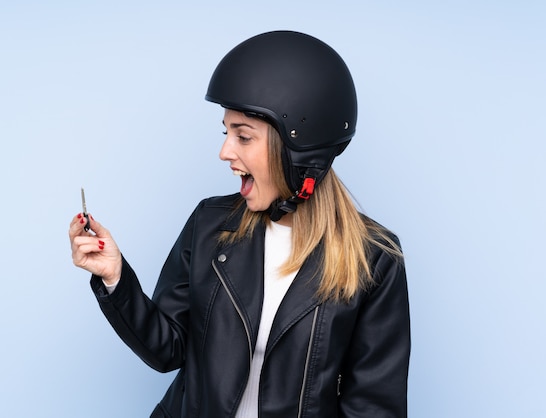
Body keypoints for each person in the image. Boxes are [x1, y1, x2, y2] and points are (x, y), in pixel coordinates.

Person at [69, 30, 410, 417]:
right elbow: (167, 350)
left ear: (301, 152)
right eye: (226, 132)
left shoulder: (375, 259)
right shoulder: (210, 224)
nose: (224, 152)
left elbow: (374, 407)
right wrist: (116, 277)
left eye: (243, 137)